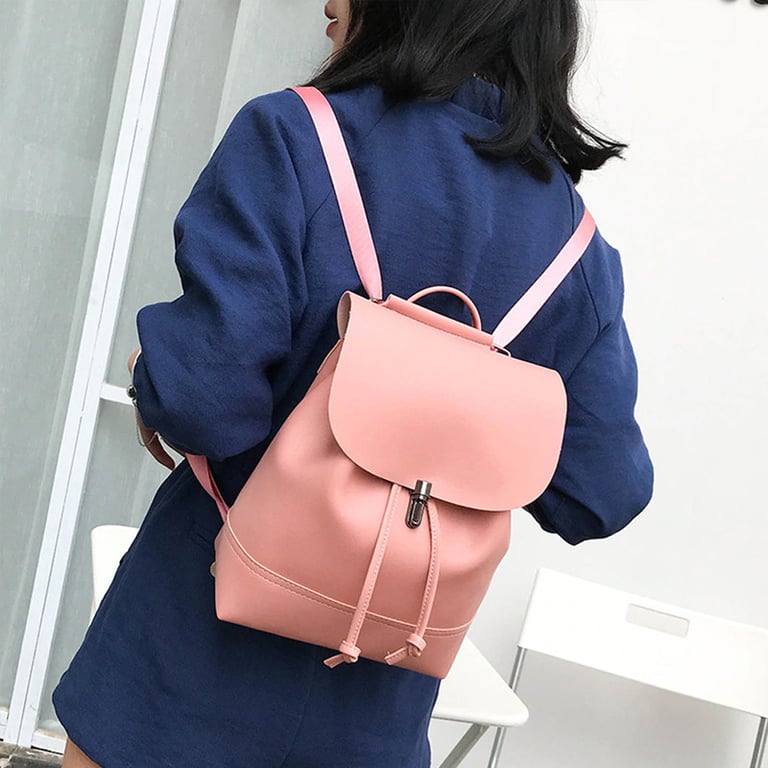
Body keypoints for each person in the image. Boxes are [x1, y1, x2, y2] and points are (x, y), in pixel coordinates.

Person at [53, 0, 654, 765]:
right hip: (372, 710)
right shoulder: (575, 251)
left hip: (179, 683)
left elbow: (205, 401)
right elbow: (601, 492)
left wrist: (154, 372)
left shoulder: (295, 138)